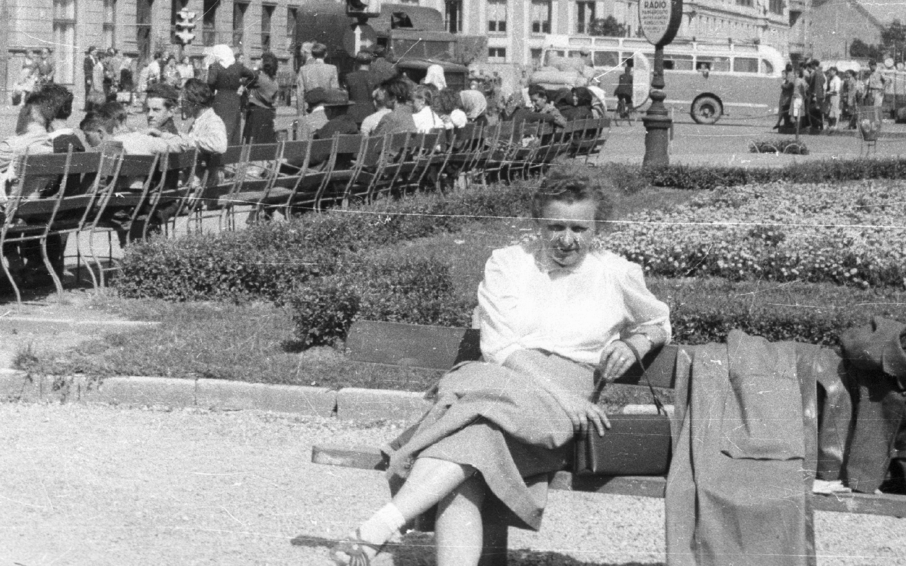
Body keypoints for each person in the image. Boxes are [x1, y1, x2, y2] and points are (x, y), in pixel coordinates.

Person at [331, 167, 670, 566]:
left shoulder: (615, 272)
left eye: (579, 228)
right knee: (472, 453)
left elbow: (658, 321)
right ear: (537, 223)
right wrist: (563, 398)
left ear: (598, 227)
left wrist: (637, 342)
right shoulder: (508, 263)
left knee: (467, 442)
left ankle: (375, 531)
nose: (566, 239)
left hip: (552, 398)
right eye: (554, 226)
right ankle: (378, 531)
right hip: (506, 377)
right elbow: (499, 346)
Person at [204, 44, 244, 149]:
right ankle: (233, 155)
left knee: (222, 126)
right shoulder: (236, 66)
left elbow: (210, 81)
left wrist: (212, 91)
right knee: (233, 127)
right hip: (235, 99)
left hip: (221, 98)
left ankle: (221, 153)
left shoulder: (216, 66)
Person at [243, 55, 281, 144]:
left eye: (260, 60)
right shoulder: (274, 82)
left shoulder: (258, 78)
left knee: (253, 142)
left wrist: (256, 68)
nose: (258, 61)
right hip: (268, 114)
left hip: (256, 114)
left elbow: (245, 82)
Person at [614, 59, 635, 124]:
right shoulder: (631, 77)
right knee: (629, 101)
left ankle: (619, 109)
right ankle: (628, 111)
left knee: (621, 100)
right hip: (626, 92)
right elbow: (631, 84)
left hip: (618, 91)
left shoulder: (621, 76)